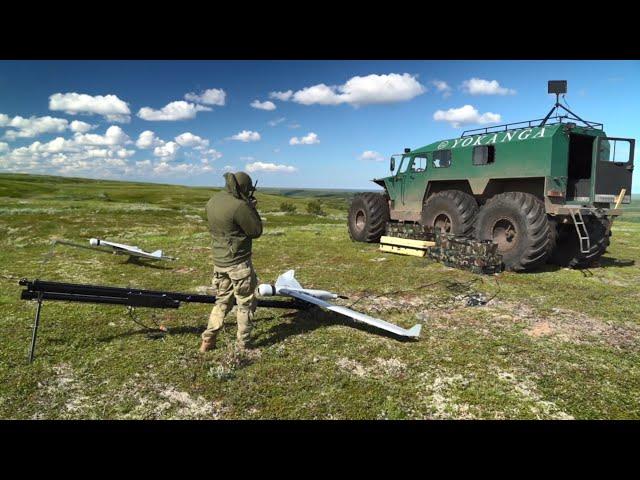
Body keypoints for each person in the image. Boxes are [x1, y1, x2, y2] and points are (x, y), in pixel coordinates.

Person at [200, 171, 262, 353]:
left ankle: (208, 340)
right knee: (245, 303)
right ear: (243, 188)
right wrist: (251, 208)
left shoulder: (213, 201)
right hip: (239, 264)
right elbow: (256, 230)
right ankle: (243, 343)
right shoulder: (239, 206)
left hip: (220, 261)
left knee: (221, 302)